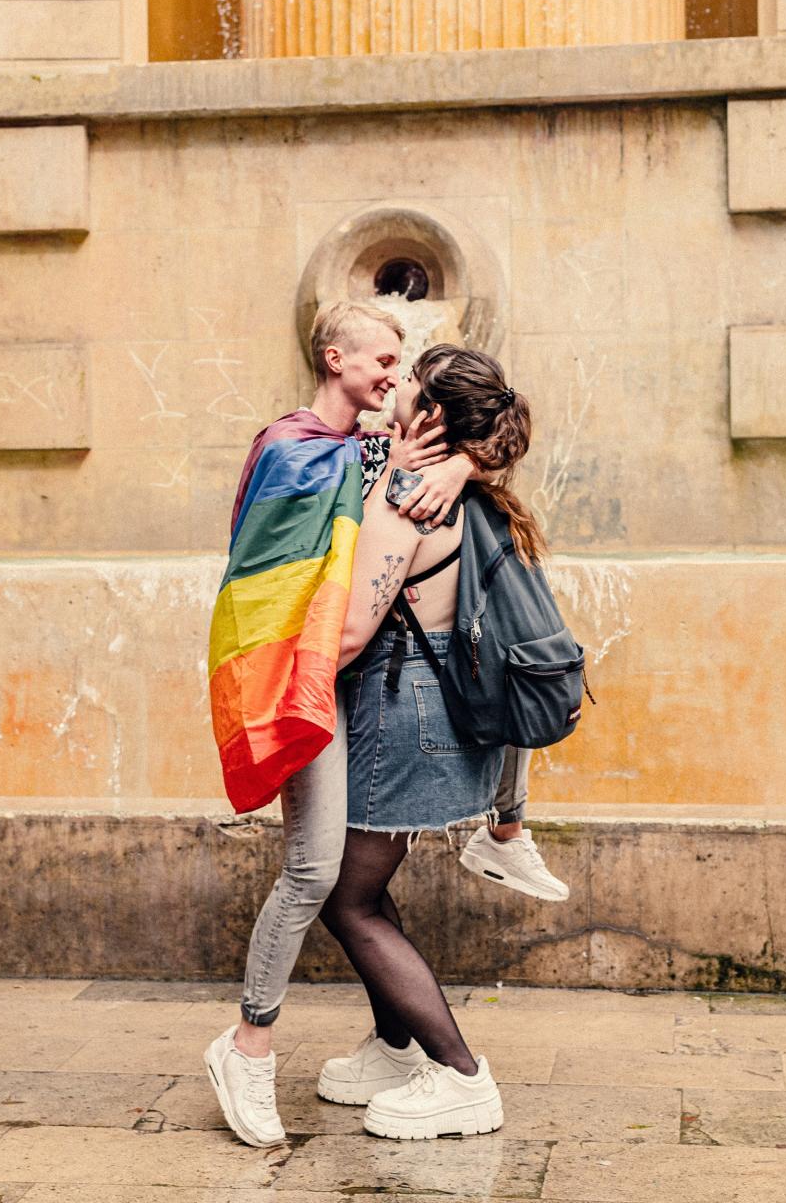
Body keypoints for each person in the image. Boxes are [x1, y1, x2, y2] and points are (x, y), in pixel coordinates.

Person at [204, 302, 473, 1149]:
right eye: (384, 358)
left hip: (347, 688)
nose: (395, 372)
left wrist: (460, 465)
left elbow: (492, 437)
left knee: (349, 882)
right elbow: (273, 570)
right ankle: (247, 1046)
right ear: (335, 357)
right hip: (298, 674)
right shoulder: (292, 447)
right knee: (315, 872)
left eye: (402, 361)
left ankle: (394, 1049)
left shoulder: (373, 454)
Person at [316, 345, 549, 1141]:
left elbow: (352, 631)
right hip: (436, 704)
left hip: (401, 708)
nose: (394, 386)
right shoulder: (462, 487)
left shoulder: (410, 497)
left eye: (408, 381)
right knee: (364, 890)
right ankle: (393, 1048)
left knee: (346, 900)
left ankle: (459, 1075)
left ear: (435, 416)